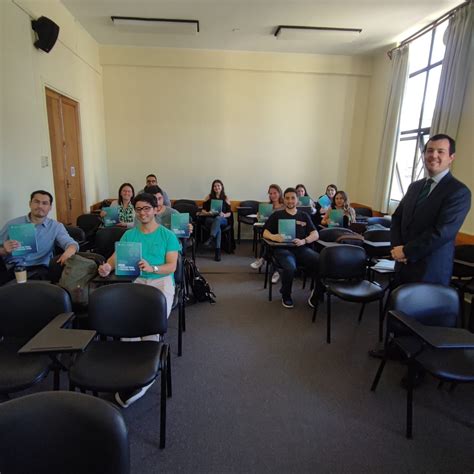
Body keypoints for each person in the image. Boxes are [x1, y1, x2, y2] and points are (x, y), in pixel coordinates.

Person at [97, 192, 180, 408]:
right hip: (137, 282)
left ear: (155, 210)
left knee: (149, 329)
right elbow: (117, 258)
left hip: (161, 282)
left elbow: (172, 266)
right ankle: (130, 372)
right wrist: (107, 266)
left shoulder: (167, 235)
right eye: (139, 209)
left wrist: (152, 268)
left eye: (147, 208)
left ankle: (142, 380)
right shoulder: (130, 235)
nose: (143, 213)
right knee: (128, 329)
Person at [391, 134, 471, 286]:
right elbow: (397, 218)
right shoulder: (414, 187)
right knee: (395, 308)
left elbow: (442, 232)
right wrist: (397, 249)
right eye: (430, 150)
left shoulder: (459, 192)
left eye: (440, 151)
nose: (433, 155)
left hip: (430, 271)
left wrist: (407, 251)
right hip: (402, 265)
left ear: (451, 157)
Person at [0, 190, 78, 282]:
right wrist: (4, 251)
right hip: (11, 269)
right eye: (36, 202)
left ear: (50, 207)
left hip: (39, 270)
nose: (40, 206)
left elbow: (71, 243)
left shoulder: (56, 227)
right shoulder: (12, 224)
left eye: (44, 203)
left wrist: (70, 250)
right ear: (30, 204)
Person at [263, 187, 321, 308]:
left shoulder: (304, 216)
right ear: (284, 199)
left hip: (301, 248)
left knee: (320, 261)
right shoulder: (277, 215)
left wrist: (304, 240)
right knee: (290, 267)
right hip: (282, 250)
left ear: (297, 200)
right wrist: (274, 237)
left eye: (293, 198)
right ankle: (286, 294)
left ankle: (317, 293)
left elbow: (315, 234)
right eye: (287, 198)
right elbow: (265, 232)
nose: (290, 201)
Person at [250, 184, 285, 284]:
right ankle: (276, 271)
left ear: (279, 193)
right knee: (267, 239)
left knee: (271, 243)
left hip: (282, 232)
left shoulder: (285, 206)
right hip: (271, 232)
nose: (273, 195)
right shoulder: (267, 207)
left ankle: (263, 259)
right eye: (270, 193)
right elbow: (265, 221)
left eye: (275, 193)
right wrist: (259, 216)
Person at [201, 179, 232, 262]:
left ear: (221, 187)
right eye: (215, 186)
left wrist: (224, 215)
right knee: (218, 229)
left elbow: (229, 213)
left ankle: (211, 238)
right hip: (210, 219)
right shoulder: (209, 197)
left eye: (218, 185)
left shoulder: (226, 198)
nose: (216, 187)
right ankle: (217, 252)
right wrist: (208, 213)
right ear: (212, 188)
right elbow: (202, 211)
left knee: (218, 219)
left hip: (222, 220)